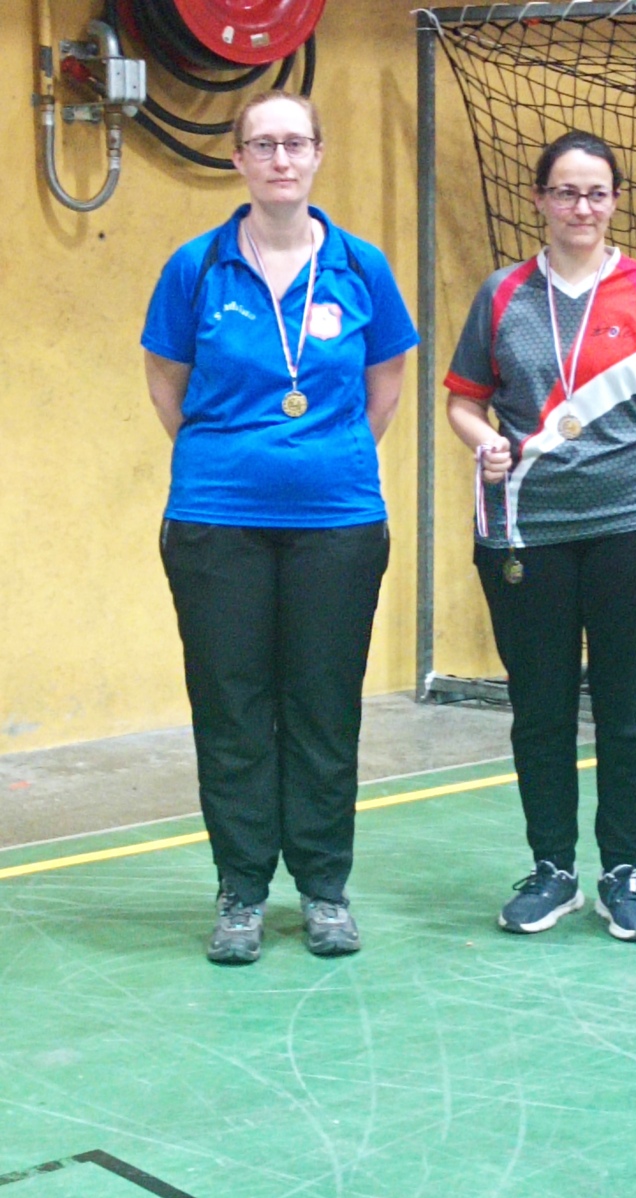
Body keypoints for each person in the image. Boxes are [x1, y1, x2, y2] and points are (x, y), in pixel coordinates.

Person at [141, 91, 418, 963]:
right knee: (231, 707)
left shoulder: (361, 266)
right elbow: (165, 381)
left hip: (337, 522)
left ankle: (325, 888)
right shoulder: (196, 267)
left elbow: (386, 382)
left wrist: (325, 457)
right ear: (239, 161)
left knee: (323, 707)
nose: (280, 159)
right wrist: (228, 458)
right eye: (262, 145)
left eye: (295, 142)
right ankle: (242, 892)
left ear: (318, 154)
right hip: (215, 522)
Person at [445, 131, 636, 942]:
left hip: (633, 530)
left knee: (630, 713)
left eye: (596, 193)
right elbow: (463, 400)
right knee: (540, 711)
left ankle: (622, 873)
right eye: (565, 191)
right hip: (527, 535)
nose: (581, 207)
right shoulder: (502, 295)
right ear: (540, 200)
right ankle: (551, 870)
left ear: (615, 201)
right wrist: (482, 441)